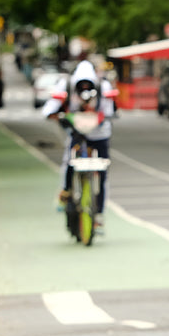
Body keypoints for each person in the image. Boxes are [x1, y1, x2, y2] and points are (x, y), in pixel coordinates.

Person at [43, 60, 117, 226]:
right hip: (77, 132)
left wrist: (100, 115)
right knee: (70, 161)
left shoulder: (103, 87)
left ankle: (98, 212)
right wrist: (53, 114)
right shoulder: (66, 85)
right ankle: (66, 192)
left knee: (102, 172)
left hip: (99, 133)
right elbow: (50, 106)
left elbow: (110, 110)